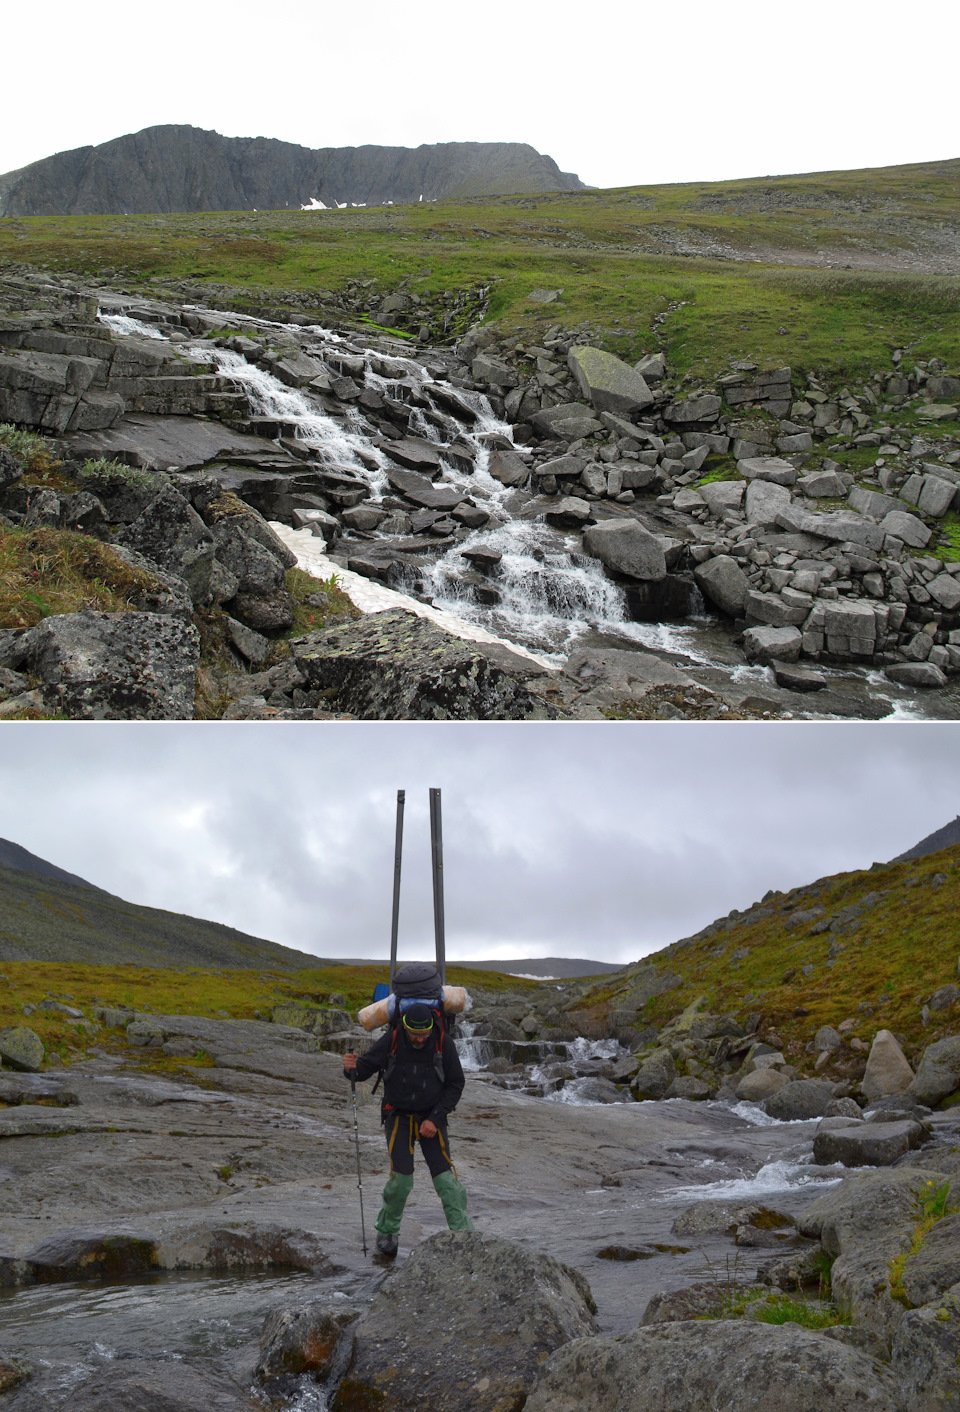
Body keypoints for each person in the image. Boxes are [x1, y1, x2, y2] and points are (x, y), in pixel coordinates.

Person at [343, 1002, 475, 1257]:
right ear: (404, 1028)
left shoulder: (442, 1042)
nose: (419, 1039)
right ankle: (388, 1231)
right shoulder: (392, 1040)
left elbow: (456, 1083)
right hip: (398, 1117)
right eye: (415, 1034)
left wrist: (435, 1119)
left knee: (446, 1181)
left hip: (431, 1117)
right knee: (401, 1181)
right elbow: (362, 1071)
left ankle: (464, 1234)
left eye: (424, 1035)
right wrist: (350, 1067)